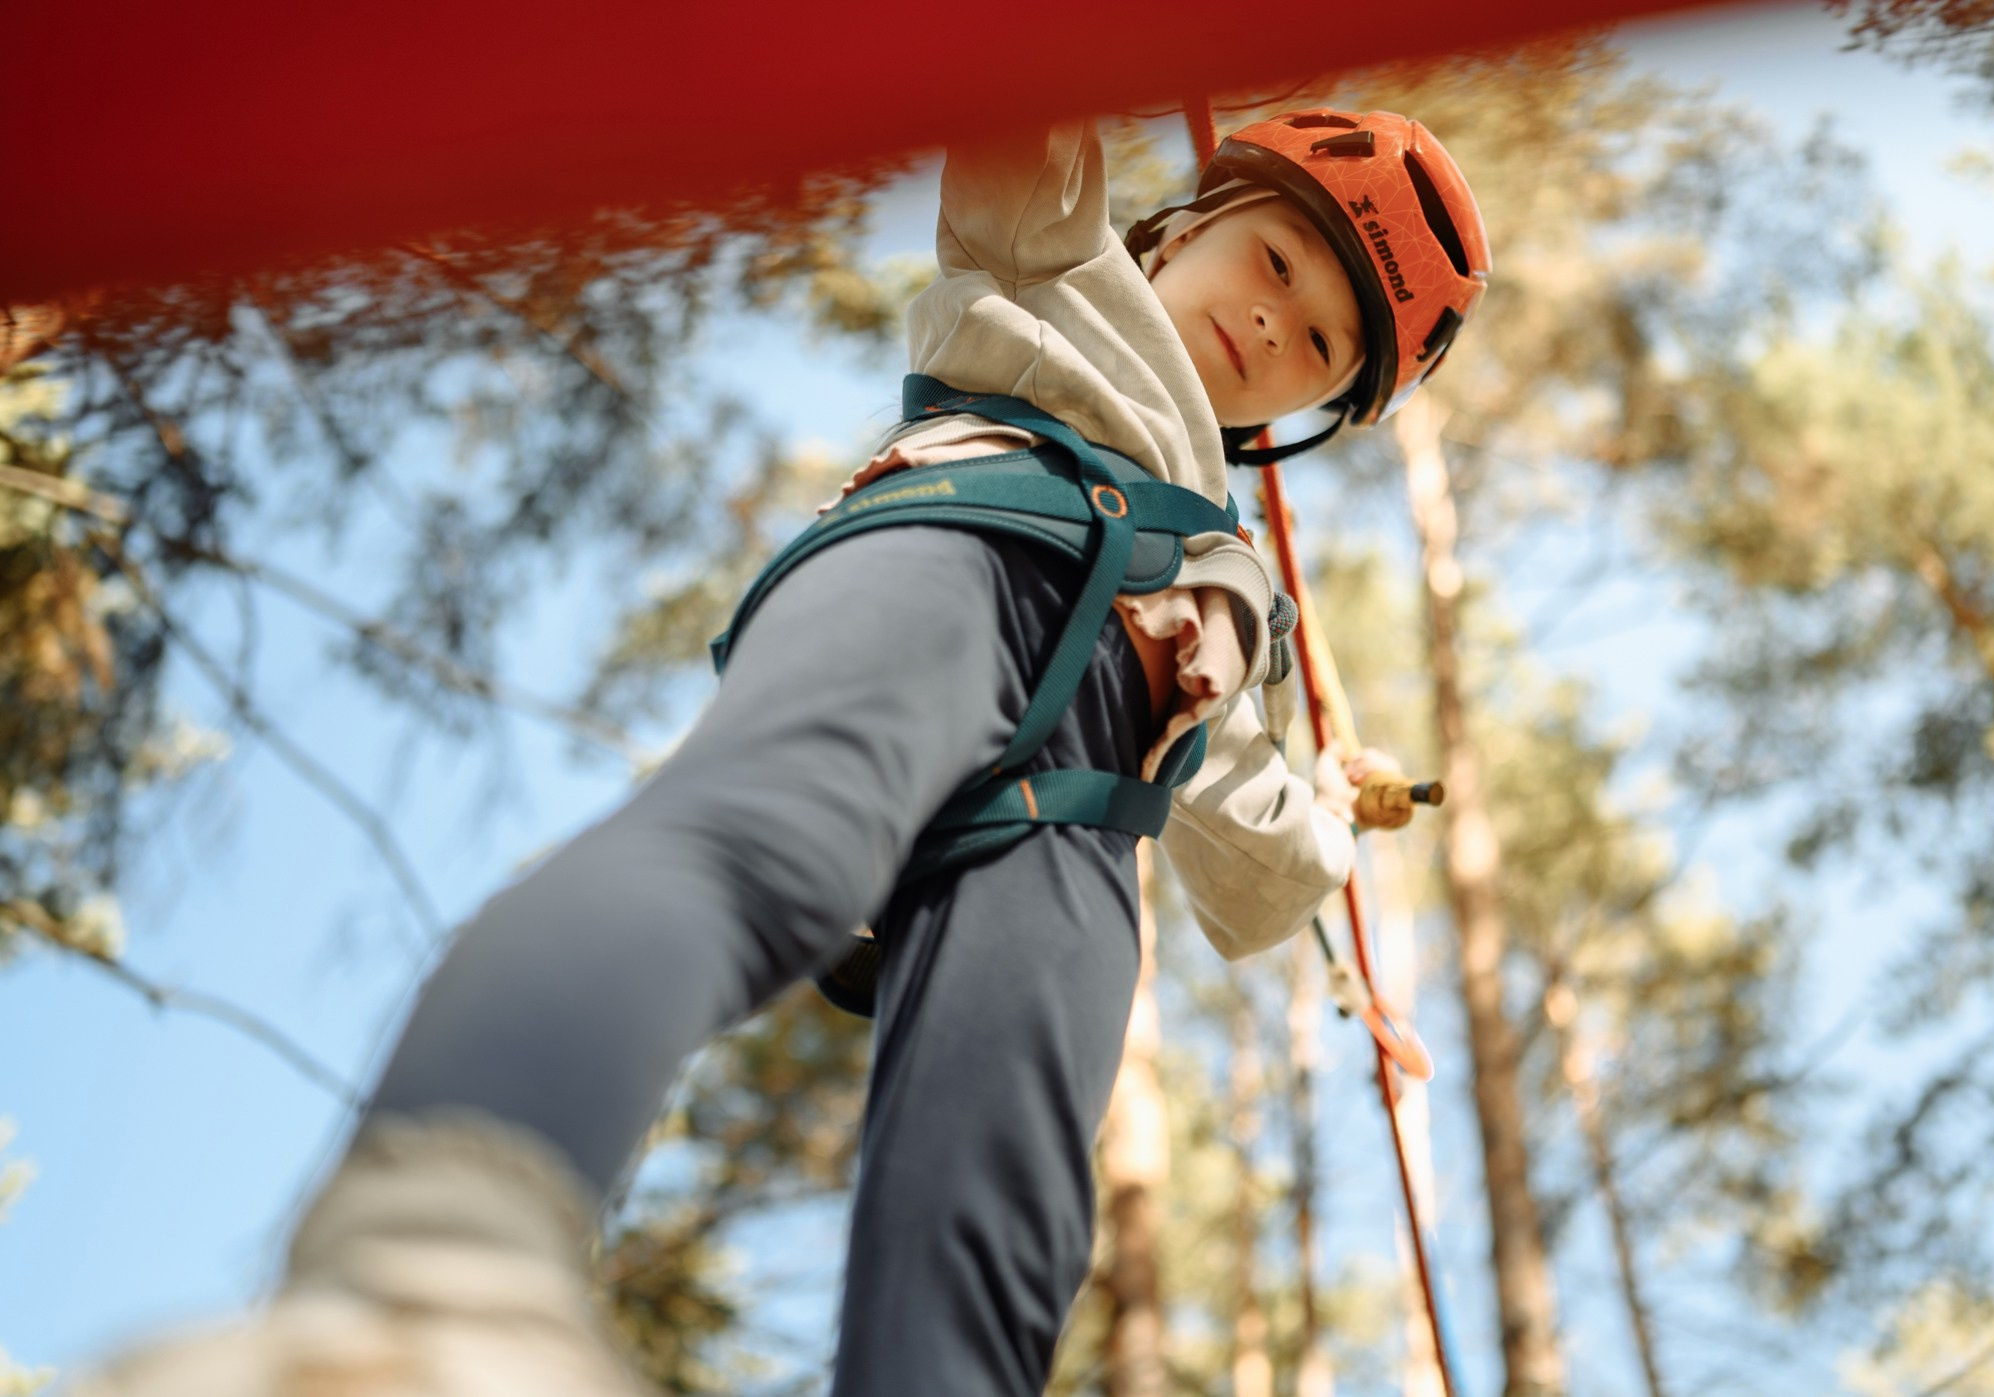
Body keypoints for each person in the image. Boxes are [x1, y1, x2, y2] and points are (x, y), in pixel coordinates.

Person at [80, 106, 1488, 1397]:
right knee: (757, 844)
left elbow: (1260, 866)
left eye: (1318, 347)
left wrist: (1322, 800)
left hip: (1090, 793)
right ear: (1185, 223)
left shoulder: (1238, 590)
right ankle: (418, 1285)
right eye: (1277, 257)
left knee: (1011, 1154)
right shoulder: (1057, 256)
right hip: (955, 563)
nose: (1270, 315)